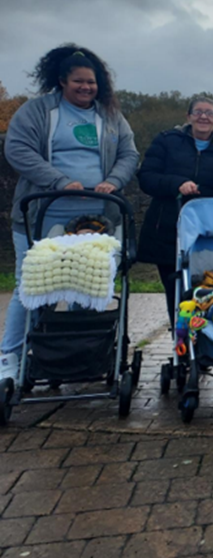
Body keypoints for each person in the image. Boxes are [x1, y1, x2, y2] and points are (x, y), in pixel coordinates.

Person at [1, 45, 138, 380]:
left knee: (87, 283)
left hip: (96, 217)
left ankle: (77, 355)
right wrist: (60, 181)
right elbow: (17, 149)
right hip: (43, 213)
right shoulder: (38, 111)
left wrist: (113, 181)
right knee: (30, 287)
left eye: (91, 82)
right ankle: (11, 357)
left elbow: (128, 153)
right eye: (78, 81)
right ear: (62, 81)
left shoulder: (109, 115)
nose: (86, 87)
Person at [136, 95, 213, 327]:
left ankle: (205, 343)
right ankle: (181, 343)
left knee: (207, 290)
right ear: (188, 117)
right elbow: (147, 178)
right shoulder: (166, 141)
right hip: (168, 231)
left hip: (206, 235)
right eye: (198, 112)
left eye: (209, 113)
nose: (203, 117)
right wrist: (176, 184)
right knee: (177, 293)